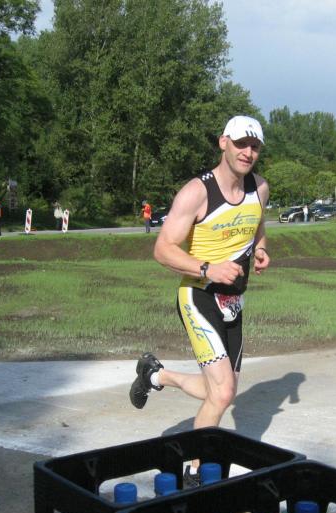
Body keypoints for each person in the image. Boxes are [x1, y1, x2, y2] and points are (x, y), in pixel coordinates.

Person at [128, 115, 271, 483]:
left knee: (221, 390)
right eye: (241, 143)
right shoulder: (197, 192)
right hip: (198, 296)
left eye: (254, 146)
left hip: (233, 302)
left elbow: (257, 226)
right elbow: (163, 249)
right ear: (223, 142)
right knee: (221, 394)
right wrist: (208, 269)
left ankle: (155, 374)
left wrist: (260, 249)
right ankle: (195, 472)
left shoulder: (260, 189)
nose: (247, 152)